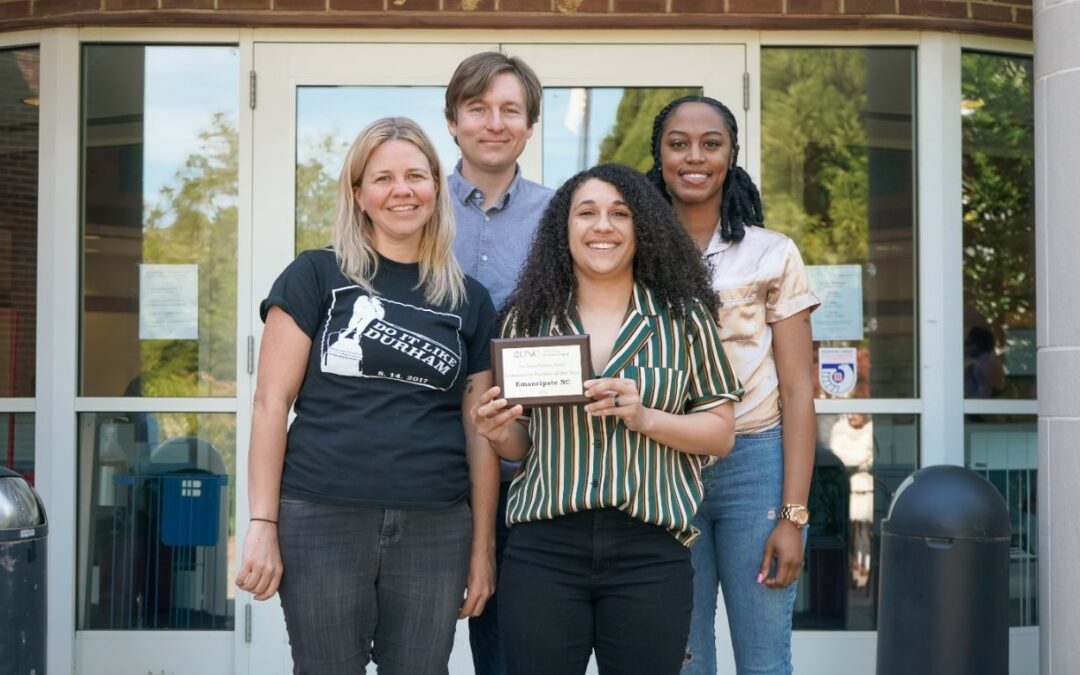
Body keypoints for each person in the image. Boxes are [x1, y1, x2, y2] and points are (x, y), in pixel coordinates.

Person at [234, 117, 499, 675]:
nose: (401, 190)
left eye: (415, 175)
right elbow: (269, 405)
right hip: (321, 517)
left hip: (435, 525)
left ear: (436, 187)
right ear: (358, 194)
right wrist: (262, 525)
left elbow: (479, 432)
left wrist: (481, 549)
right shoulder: (314, 275)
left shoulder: (468, 300)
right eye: (382, 178)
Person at [473, 163, 743, 675]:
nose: (603, 226)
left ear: (643, 227)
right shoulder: (524, 321)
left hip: (649, 549)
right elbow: (523, 446)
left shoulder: (684, 317)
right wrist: (497, 431)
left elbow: (721, 432)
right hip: (544, 549)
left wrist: (645, 417)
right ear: (563, 229)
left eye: (620, 213)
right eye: (587, 213)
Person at [646, 95, 820, 675]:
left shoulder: (772, 253)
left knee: (765, 659)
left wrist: (792, 517)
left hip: (755, 465)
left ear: (731, 154)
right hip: (663, 463)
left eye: (710, 143)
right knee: (681, 658)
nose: (694, 157)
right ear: (659, 154)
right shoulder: (633, 251)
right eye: (678, 143)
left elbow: (798, 392)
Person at [444, 51, 553, 675]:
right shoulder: (415, 205)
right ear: (453, 120)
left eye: (510, 109)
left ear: (529, 126)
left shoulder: (560, 215)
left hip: (520, 466)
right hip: (422, 461)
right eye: (478, 108)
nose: (494, 122)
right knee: (412, 646)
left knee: (510, 652)